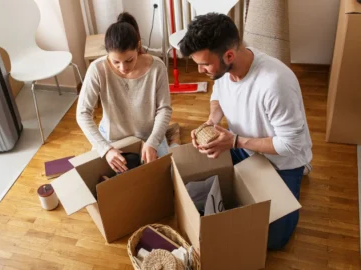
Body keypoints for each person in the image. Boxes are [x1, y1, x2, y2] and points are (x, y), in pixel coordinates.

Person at [179, 13, 313, 249]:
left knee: (272, 239)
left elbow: (291, 145)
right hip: (241, 146)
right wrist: (211, 122)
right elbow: (217, 97)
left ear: (229, 55)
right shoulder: (221, 70)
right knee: (188, 172)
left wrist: (235, 142)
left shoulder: (275, 82)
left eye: (204, 64)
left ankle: (300, 175)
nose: (200, 70)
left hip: (280, 161)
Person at [77, 12, 176, 173]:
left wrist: (152, 142)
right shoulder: (97, 69)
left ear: (138, 47)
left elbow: (164, 109)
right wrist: (106, 149)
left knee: (166, 177)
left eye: (129, 60)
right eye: (116, 62)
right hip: (112, 137)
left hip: (148, 135)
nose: (123, 68)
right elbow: (82, 113)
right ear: (107, 53)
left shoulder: (157, 67)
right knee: (99, 181)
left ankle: (170, 141)